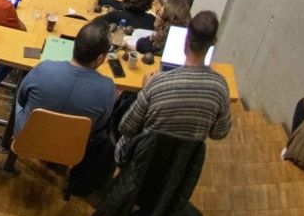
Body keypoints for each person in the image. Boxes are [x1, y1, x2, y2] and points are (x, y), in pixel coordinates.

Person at [116, 9, 231, 164]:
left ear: (186, 38)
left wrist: (144, 91)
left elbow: (126, 128)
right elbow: (219, 133)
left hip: (142, 162)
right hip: (182, 168)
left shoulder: (157, 83)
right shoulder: (221, 87)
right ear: (214, 42)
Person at [13, 18, 117, 137]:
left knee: (21, 87)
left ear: (75, 44)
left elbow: (22, 98)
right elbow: (98, 124)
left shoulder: (44, 68)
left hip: (27, 138)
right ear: (100, 58)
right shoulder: (108, 88)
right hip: (70, 145)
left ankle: (6, 140)